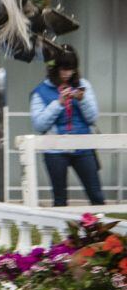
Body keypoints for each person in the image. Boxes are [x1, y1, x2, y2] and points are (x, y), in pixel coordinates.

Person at [30, 45, 105, 207]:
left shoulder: (83, 85)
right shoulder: (40, 91)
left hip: (84, 148)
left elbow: (93, 117)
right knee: (60, 199)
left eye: (70, 69)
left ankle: (103, 231)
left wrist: (82, 99)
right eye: (63, 69)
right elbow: (39, 124)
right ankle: (63, 232)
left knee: (96, 196)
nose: (67, 74)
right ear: (54, 68)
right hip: (55, 151)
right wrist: (58, 103)